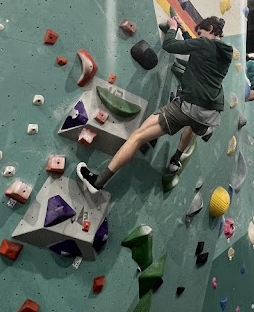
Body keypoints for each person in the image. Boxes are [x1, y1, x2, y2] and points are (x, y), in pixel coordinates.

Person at [77, 15, 233, 192]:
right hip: (209, 115)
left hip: (188, 106)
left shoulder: (204, 44)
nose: (199, 37)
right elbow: (196, 47)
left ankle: (97, 182)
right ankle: (178, 156)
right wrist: (183, 30)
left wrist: (172, 28)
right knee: (191, 124)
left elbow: (170, 45)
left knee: (137, 137)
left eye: (201, 33)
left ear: (210, 29)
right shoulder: (224, 53)